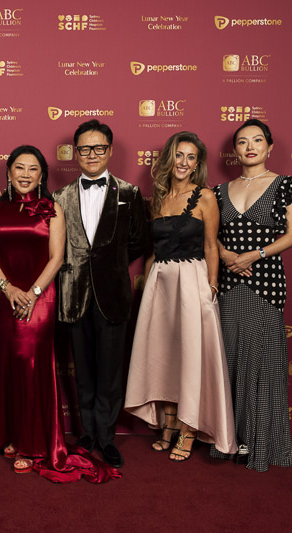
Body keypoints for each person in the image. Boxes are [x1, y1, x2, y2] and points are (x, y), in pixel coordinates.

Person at [0, 145, 119, 483]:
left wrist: (32, 293)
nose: (25, 174)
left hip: (39, 298)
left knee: (30, 365)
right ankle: (11, 434)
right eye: (19, 167)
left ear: (42, 175)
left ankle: (31, 445)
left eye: (33, 169)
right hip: (5, 297)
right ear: (8, 172)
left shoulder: (52, 208)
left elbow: (57, 258)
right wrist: (8, 289)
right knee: (9, 363)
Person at [124, 132, 236, 462]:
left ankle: (188, 430)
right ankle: (169, 424)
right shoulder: (158, 198)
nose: (184, 162)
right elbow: (152, 250)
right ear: (169, 158)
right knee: (165, 355)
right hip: (160, 284)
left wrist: (211, 287)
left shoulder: (205, 197)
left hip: (192, 283)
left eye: (191, 157)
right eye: (179, 155)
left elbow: (211, 246)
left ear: (197, 164)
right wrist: (146, 287)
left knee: (190, 356)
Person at [210, 119, 292, 472]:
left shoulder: (286, 185)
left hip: (264, 283)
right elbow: (209, 233)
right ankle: (229, 439)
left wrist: (255, 254)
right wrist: (225, 254)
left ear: (269, 146)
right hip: (227, 283)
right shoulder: (218, 191)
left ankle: (260, 442)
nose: (249, 147)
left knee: (262, 363)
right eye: (242, 141)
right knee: (229, 361)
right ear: (234, 150)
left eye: (257, 140)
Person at [53, 120, 148, 468]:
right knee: (83, 370)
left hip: (113, 295)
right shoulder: (59, 197)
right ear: (75, 152)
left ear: (109, 150)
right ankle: (87, 433)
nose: (91, 154)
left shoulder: (130, 193)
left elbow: (138, 240)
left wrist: (111, 264)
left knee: (109, 371)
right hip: (73, 294)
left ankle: (106, 437)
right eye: (84, 148)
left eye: (98, 148)